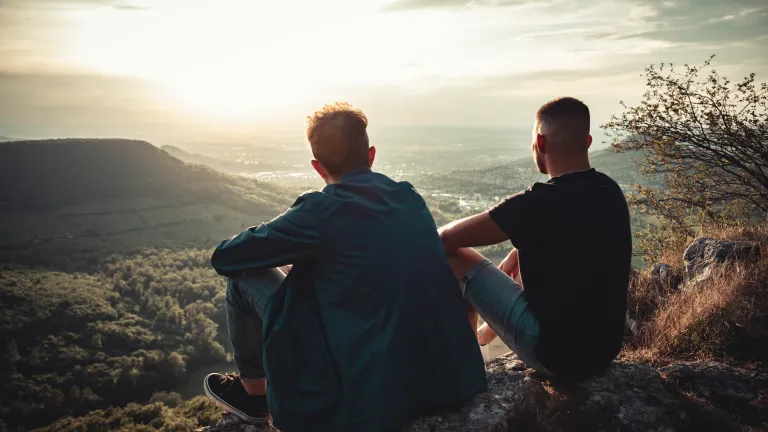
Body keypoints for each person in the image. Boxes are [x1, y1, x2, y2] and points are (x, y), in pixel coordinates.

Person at [204, 102, 487, 431]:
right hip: (445, 380)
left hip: (371, 391)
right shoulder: (409, 197)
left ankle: (254, 394)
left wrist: (288, 241)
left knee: (242, 279)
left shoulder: (320, 210)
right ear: (371, 155)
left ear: (317, 167)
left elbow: (225, 257)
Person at [439, 97, 632, 381]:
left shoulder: (536, 204)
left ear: (540, 144)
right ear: (588, 141)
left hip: (556, 356)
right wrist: (519, 250)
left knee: (454, 257)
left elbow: (445, 238)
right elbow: (574, 239)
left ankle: (465, 365)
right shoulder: (610, 190)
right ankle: (483, 338)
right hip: (603, 351)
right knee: (518, 258)